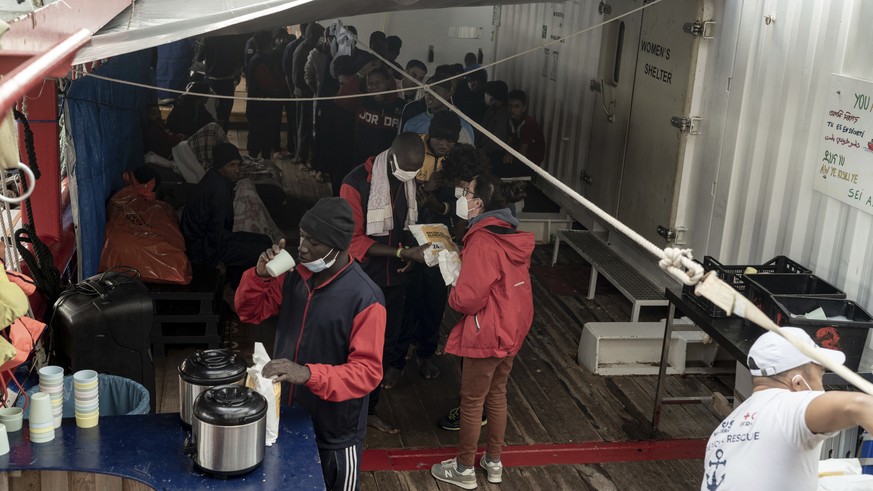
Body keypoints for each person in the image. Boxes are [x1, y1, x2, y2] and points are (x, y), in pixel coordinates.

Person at [236, 197, 386, 491]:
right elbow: (250, 311)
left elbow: (367, 372)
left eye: (314, 242)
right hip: (285, 418)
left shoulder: (366, 297)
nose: (302, 247)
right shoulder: (293, 276)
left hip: (334, 434)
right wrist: (260, 276)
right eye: (303, 235)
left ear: (338, 247)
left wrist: (308, 374)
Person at [430, 174, 534, 489]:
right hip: (512, 327)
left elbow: (467, 299)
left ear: (478, 203)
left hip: (488, 331)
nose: (462, 195)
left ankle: (463, 469)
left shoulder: (481, 240)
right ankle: (494, 461)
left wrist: (453, 283)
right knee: (497, 394)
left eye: (467, 192)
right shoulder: (509, 234)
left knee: (473, 401)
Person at [701, 327, 873, 491]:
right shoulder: (792, 404)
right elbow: (858, 405)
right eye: (820, 375)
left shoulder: (725, 429)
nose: (822, 386)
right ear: (798, 383)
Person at [340, 132, 431, 433]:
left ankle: (371, 410)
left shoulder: (409, 181)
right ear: (390, 156)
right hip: (362, 280)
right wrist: (403, 252)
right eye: (404, 171)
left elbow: (407, 225)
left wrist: (407, 248)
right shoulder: (354, 183)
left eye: (413, 173)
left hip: (397, 279)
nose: (408, 178)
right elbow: (353, 242)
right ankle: (346, 411)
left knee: (386, 346)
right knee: (355, 347)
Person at [180, 143, 272, 287]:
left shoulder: (215, 178)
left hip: (214, 239)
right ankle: (235, 287)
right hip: (201, 248)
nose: (237, 170)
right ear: (219, 166)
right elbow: (213, 229)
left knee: (265, 241)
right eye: (231, 165)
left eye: (238, 165)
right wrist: (213, 261)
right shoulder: (220, 189)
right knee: (262, 252)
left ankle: (234, 281)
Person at [336, 64, 405, 168]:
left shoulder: (401, 106)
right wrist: (360, 73)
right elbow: (341, 100)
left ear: (388, 83)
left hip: (387, 164)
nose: (374, 87)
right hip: (361, 162)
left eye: (379, 82)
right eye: (370, 84)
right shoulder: (362, 101)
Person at [402, 75, 475, 145]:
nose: (429, 95)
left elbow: (467, 155)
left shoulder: (463, 126)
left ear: (448, 94)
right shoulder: (412, 124)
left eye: (434, 92)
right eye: (427, 91)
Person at [478, 81, 511, 170]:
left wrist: (482, 151)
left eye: (488, 93)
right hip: (484, 152)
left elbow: (496, 142)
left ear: (495, 96)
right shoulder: (491, 109)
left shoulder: (503, 114)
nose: (485, 95)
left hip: (494, 155)